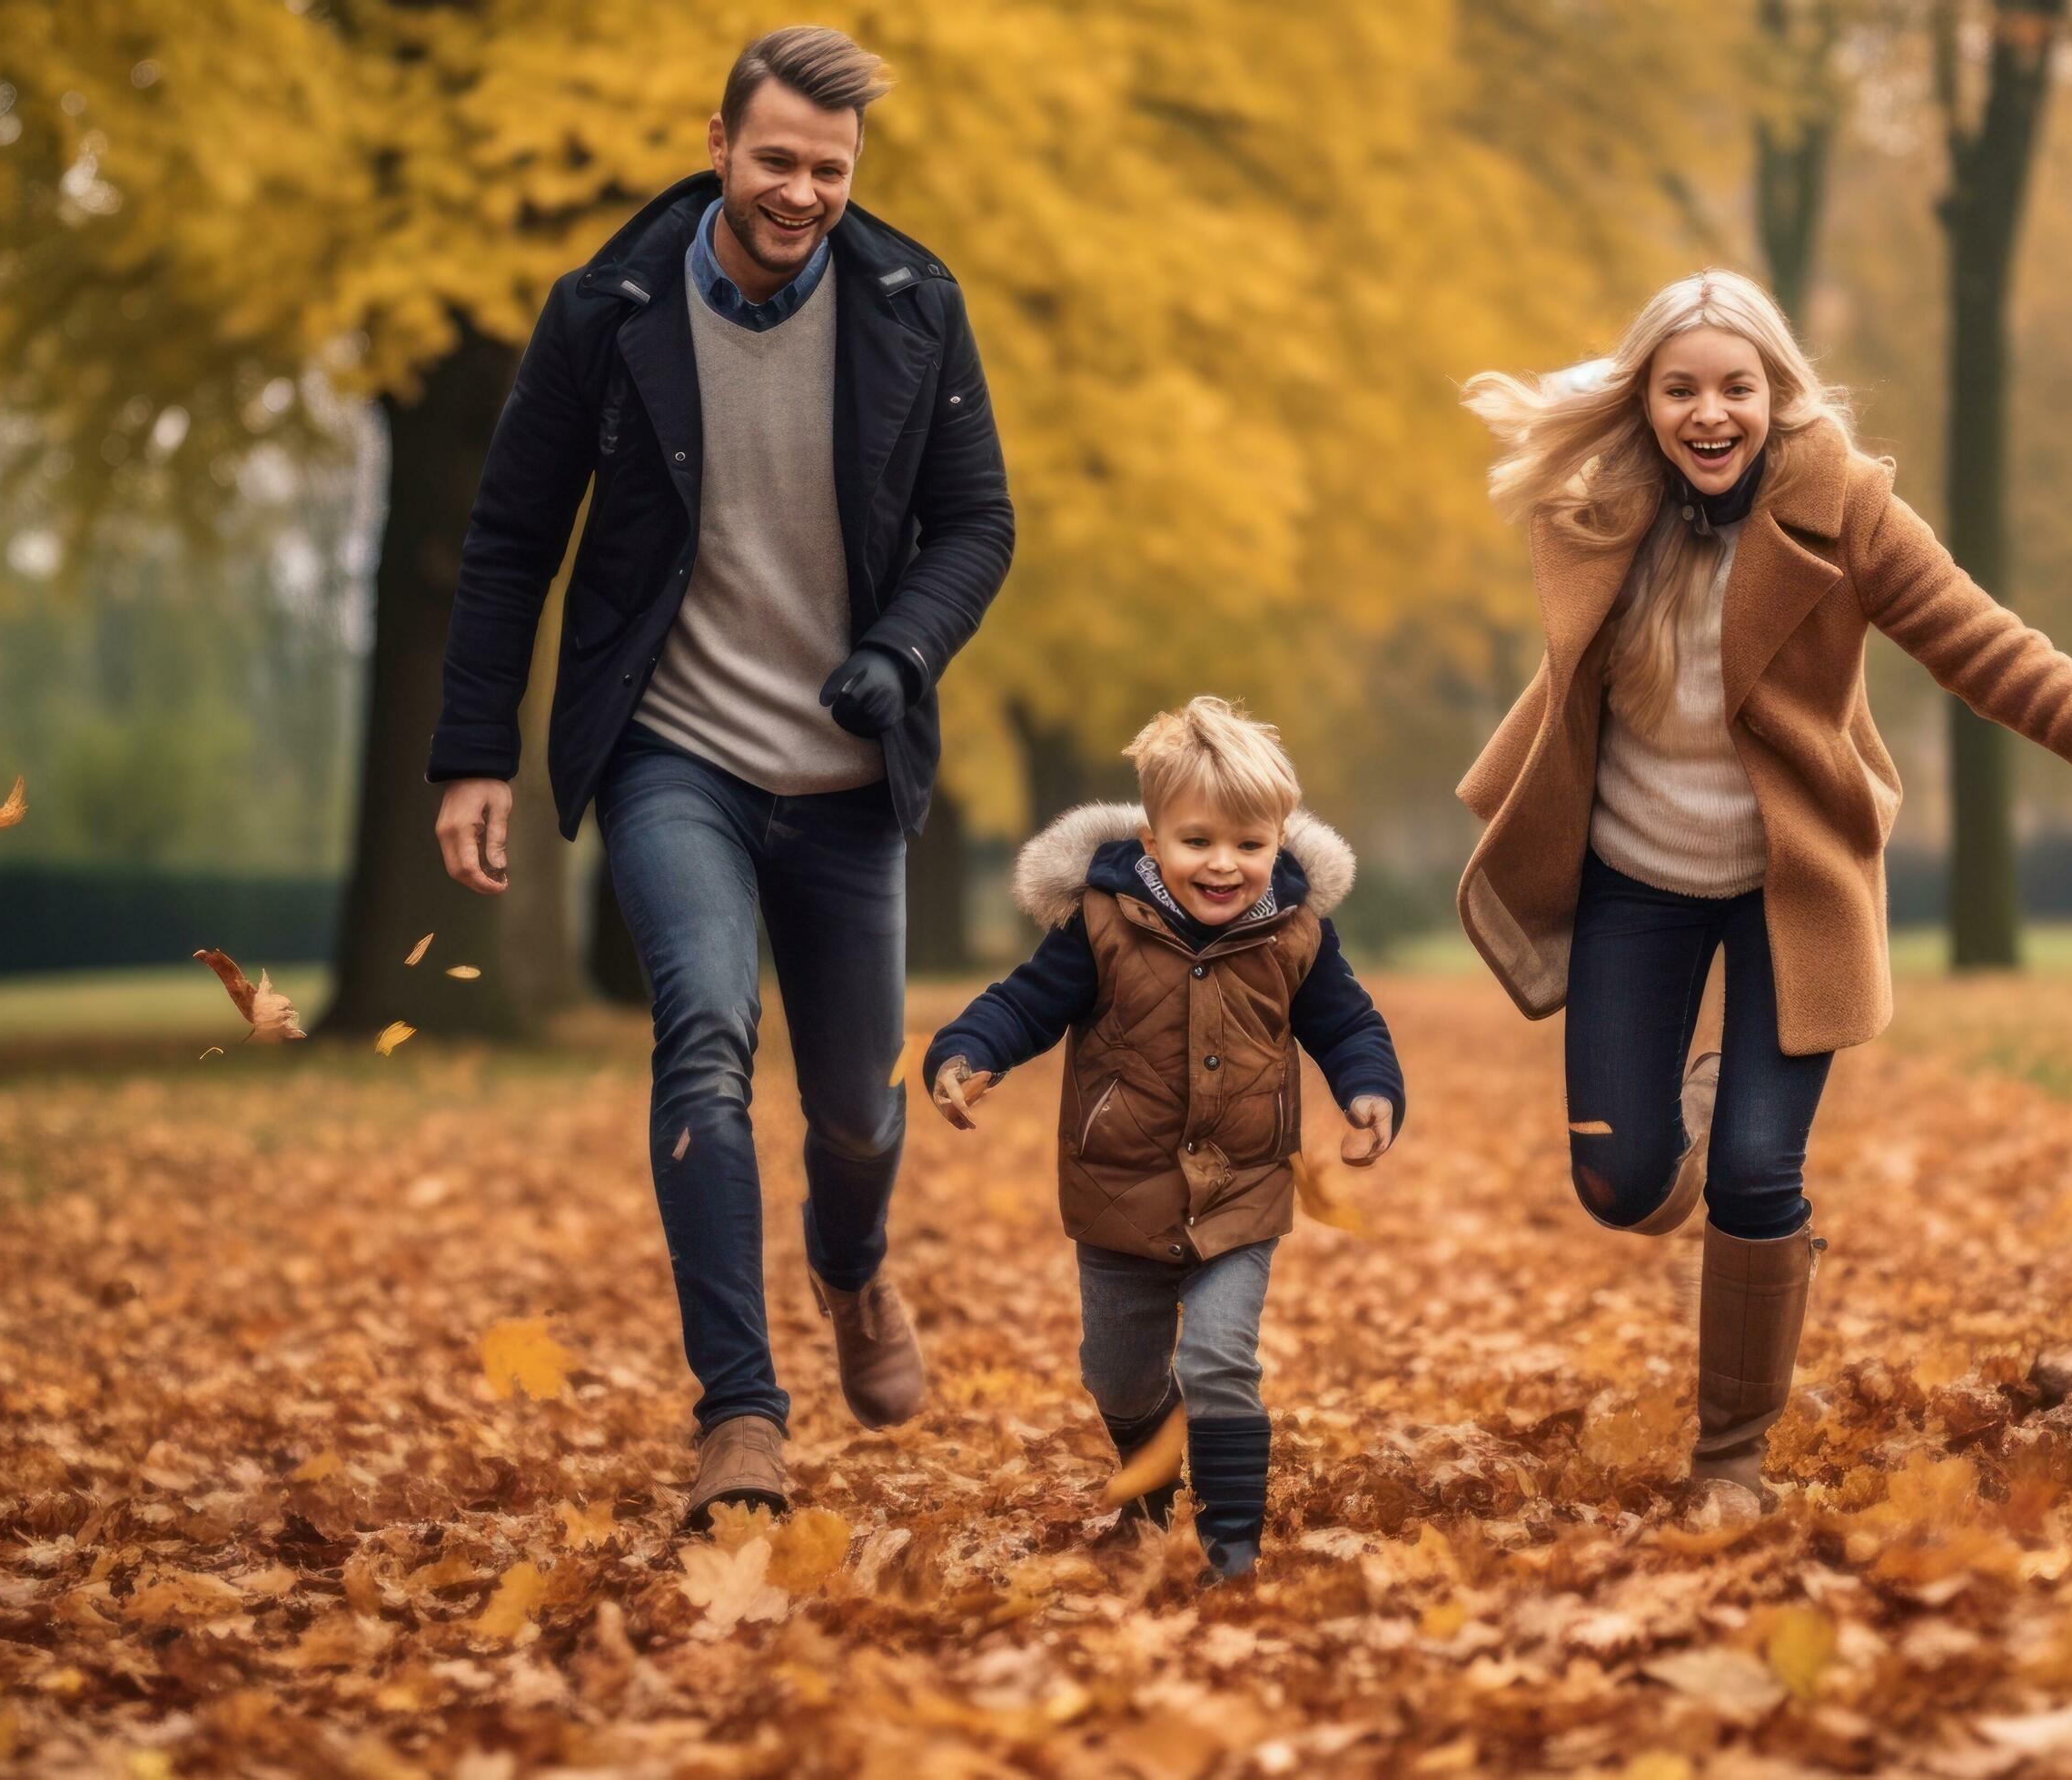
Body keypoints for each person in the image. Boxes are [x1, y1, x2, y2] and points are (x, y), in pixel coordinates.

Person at [1452, 270, 2072, 1524]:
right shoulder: (1600, 507)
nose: (1712, 413)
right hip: (1633, 882)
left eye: (1737, 389)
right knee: (1621, 1182)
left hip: (1781, 885)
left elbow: (1986, 642)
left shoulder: (1848, 513)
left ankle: (1730, 1462)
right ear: (1646, 401)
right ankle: (1685, 1115)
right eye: (1682, 388)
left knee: (1759, 1172)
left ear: (1778, 395)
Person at [423, 26, 1016, 1524]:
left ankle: (854, 1270)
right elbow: (508, 542)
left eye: (829, 168)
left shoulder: (911, 304)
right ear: (716, 147)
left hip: (843, 773)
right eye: (775, 161)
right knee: (700, 1036)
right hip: (669, 747)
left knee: (858, 1118)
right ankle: (739, 1417)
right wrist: (473, 756)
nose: (801, 192)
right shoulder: (604, 312)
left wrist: (901, 650)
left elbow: (976, 525)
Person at [921, 698, 1406, 1578]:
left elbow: (1347, 1024)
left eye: (1249, 844)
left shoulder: (1295, 932)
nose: (1224, 864)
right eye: (1196, 842)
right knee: (1115, 1376)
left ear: (1279, 842)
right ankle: (1147, 1495)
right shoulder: (1100, 925)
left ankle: (1231, 1551)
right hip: (1119, 1196)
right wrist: (965, 1051)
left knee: (1219, 1358)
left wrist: (1370, 1090)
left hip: (1240, 1191)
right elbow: (1023, 1004)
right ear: (1150, 841)